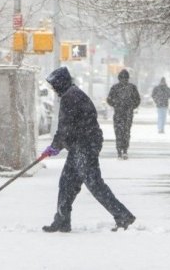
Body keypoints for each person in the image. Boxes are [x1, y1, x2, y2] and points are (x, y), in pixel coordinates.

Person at [41, 66, 136, 233]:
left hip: (85, 146)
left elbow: (65, 128)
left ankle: (123, 215)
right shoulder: (72, 93)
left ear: (60, 83)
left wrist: (55, 146)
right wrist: (58, 145)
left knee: (94, 184)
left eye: (54, 85)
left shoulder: (70, 97)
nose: (54, 89)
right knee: (67, 183)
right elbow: (69, 127)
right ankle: (62, 220)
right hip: (82, 145)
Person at [106, 69, 141, 159]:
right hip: (127, 114)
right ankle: (124, 150)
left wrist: (115, 105)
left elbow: (109, 99)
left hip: (118, 113)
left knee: (119, 132)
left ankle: (119, 151)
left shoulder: (115, 88)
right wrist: (132, 106)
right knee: (126, 132)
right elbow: (137, 100)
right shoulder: (132, 87)